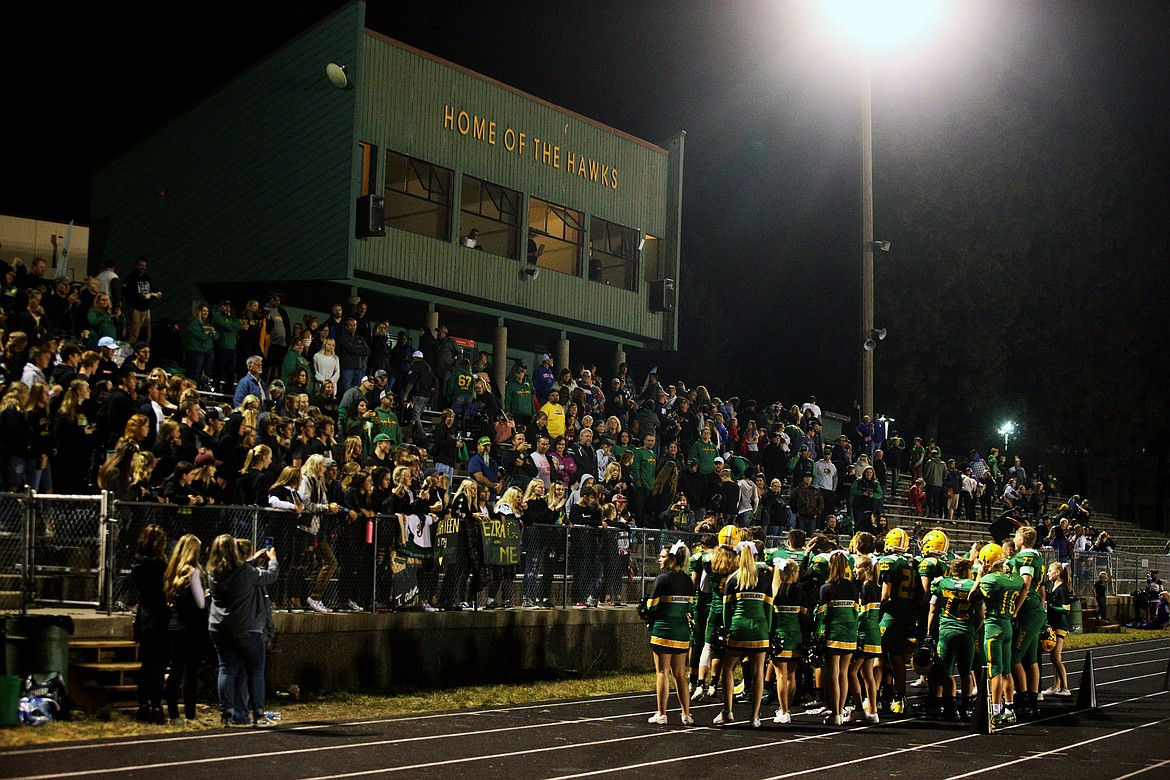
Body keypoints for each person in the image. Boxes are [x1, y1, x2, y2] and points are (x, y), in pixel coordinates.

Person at [207, 533, 278, 727]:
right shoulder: (245, 572)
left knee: (227, 669)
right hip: (246, 627)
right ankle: (259, 713)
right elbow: (270, 576)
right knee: (255, 671)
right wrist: (272, 560)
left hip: (219, 627)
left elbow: (238, 570)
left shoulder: (213, 573)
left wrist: (254, 558)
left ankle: (227, 714)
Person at [715, 541, 771, 728]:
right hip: (760, 628)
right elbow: (769, 609)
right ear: (756, 556)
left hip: (738, 627)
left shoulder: (732, 579)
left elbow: (726, 611)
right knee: (758, 672)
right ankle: (755, 717)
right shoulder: (764, 579)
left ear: (738, 557)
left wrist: (727, 629)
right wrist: (767, 630)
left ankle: (728, 711)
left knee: (728, 668)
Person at [973, 542, 1024, 727]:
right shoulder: (1015, 579)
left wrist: (979, 577)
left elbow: (973, 596)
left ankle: (994, 710)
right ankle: (1009, 709)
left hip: (993, 627)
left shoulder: (990, 580)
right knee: (1006, 670)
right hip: (1008, 626)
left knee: (995, 671)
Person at [645, 541, 695, 726]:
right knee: (680, 674)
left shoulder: (663, 579)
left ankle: (662, 713)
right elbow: (690, 606)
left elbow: (651, 606)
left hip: (663, 629)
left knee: (662, 672)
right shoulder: (688, 580)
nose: (659, 559)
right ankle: (686, 714)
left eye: (663, 556)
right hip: (681, 631)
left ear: (673, 559)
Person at [163, 533, 210, 725]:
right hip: (191, 627)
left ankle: (173, 714)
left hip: (174, 624)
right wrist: (207, 595)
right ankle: (190, 714)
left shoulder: (171, 571)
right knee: (190, 672)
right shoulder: (193, 571)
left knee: (174, 670)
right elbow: (199, 603)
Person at [926, 557, 977, 721]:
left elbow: (932, 610)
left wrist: (928, 630)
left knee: (946, 672)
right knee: (966, 672)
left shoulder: (941, 583)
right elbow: (981, 613)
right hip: (966, 631)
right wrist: (973, 628)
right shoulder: (972, 586)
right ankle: (966, 707)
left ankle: (950, 707)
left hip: (946, 630)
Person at [131, 523, 170, 724]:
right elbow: (162, 595)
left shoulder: (137, 566)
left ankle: (142, 705)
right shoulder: (160, 567)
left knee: (146, 665)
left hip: (144, 618)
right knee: (159, 666)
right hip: (160, 618)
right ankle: (155, 705)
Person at [816, 550, 858, 726]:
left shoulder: (826, 588)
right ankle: (840, 711)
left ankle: (836, 713)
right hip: (849, 632)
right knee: (844, 673)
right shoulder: (853, 587)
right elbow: (856, 612)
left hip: (834, 632)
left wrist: (817, 634)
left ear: (831, 566)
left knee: (833, 673)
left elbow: (821, 616)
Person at [768, 557, 808, 724]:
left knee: (780, 676)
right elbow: (805, 618)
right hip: (796, 636)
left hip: (779, 637)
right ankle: (787, 709)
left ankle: (784, 711)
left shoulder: (773, 591)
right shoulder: (800, 592)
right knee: (791, 675)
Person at [1043, 561, 1072, 697]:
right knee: (1054, 657)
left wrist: (1050, 607)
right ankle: (1056, 685)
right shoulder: (1055, 587)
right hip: (1054, 624)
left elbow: (1066, 610)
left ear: (1058, 573)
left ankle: (1065, 687)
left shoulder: (1062, 589)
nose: (1048, 573)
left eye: (1050, 571)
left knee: (1055, 657)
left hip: (1060, 625)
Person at [123, 257, 162, 345]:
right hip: (135, 309)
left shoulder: (146, 277)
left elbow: (150, 291)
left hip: (146, 309)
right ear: (136, 265)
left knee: (147, 334)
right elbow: (125, 292)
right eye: (141, 265)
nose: (143, 267)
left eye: (145, 266)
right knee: (133, 334)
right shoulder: (131, 277)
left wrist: (154, 295)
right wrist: (138, 296)